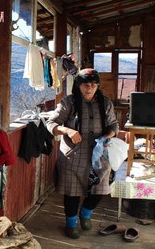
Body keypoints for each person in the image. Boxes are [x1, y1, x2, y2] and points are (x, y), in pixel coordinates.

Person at [46, 68, 118, 239]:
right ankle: (71, 224)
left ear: (97, 86)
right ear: (78, 85)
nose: (89, 88)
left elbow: (114, 125)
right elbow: (50, 123)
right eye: (85, 85)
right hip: (73, 155)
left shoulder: (105, 103)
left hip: (98, 156)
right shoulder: (68, 103)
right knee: (72, 192)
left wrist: (107, 136)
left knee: (100, 190)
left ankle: (85, 214)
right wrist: (68, 131)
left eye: (93, 85)